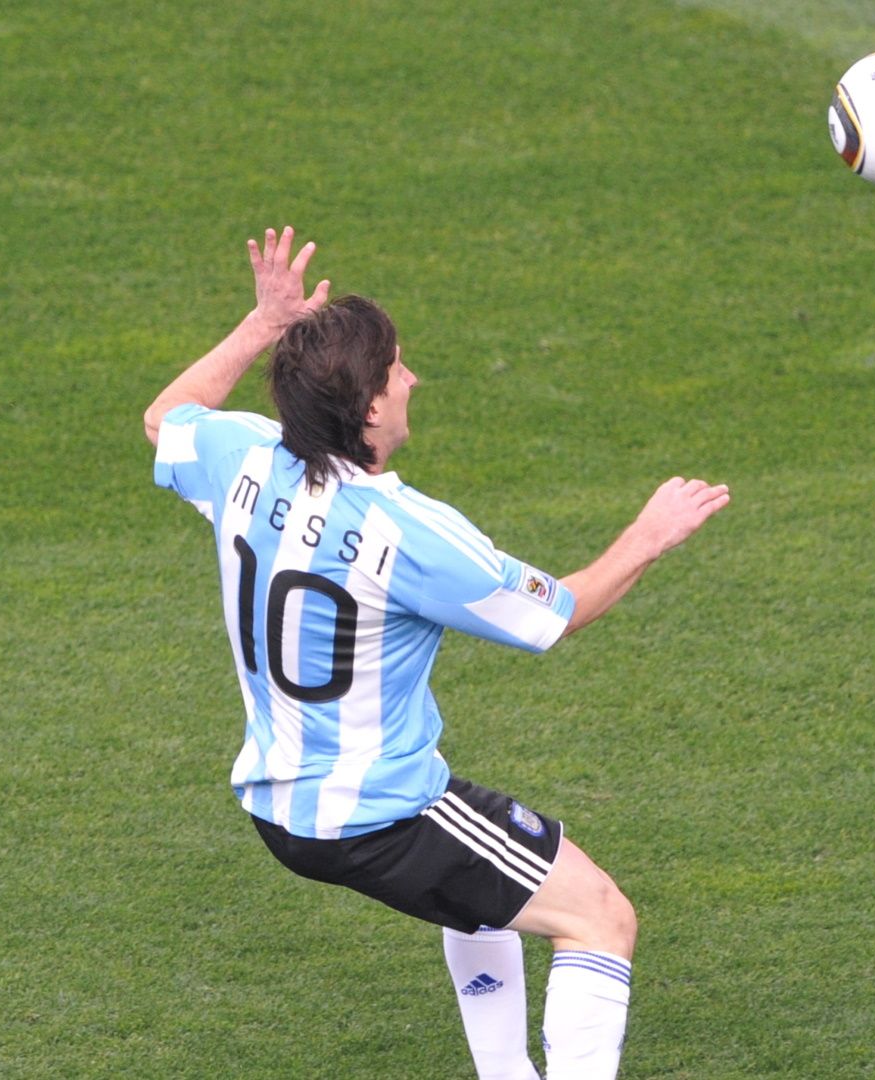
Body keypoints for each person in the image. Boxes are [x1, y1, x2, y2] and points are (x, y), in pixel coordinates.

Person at [144, 226, 730, 1080]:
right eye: (397, 368)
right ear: (372, 409)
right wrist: (647, 537)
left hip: (280, 803)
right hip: (373, 815)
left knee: (484, 895)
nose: (412, 378)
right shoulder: (413, 536)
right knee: (600, 916)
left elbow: (165, 418)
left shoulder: (242, 463)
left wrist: (262, 324)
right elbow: (558, 615)